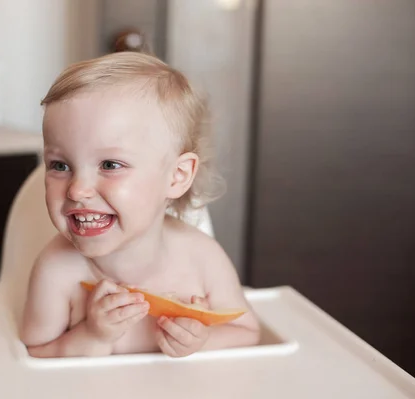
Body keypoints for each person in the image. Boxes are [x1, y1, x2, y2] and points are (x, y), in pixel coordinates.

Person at [21, 51, 260, 358]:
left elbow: (247, 332)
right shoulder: (57, 270)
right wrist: (94, 336)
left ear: (176, 176)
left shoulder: (201, 258)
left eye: (109, 164)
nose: (78, 189)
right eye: (60, 165)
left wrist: (200, 343)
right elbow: (33, 354)